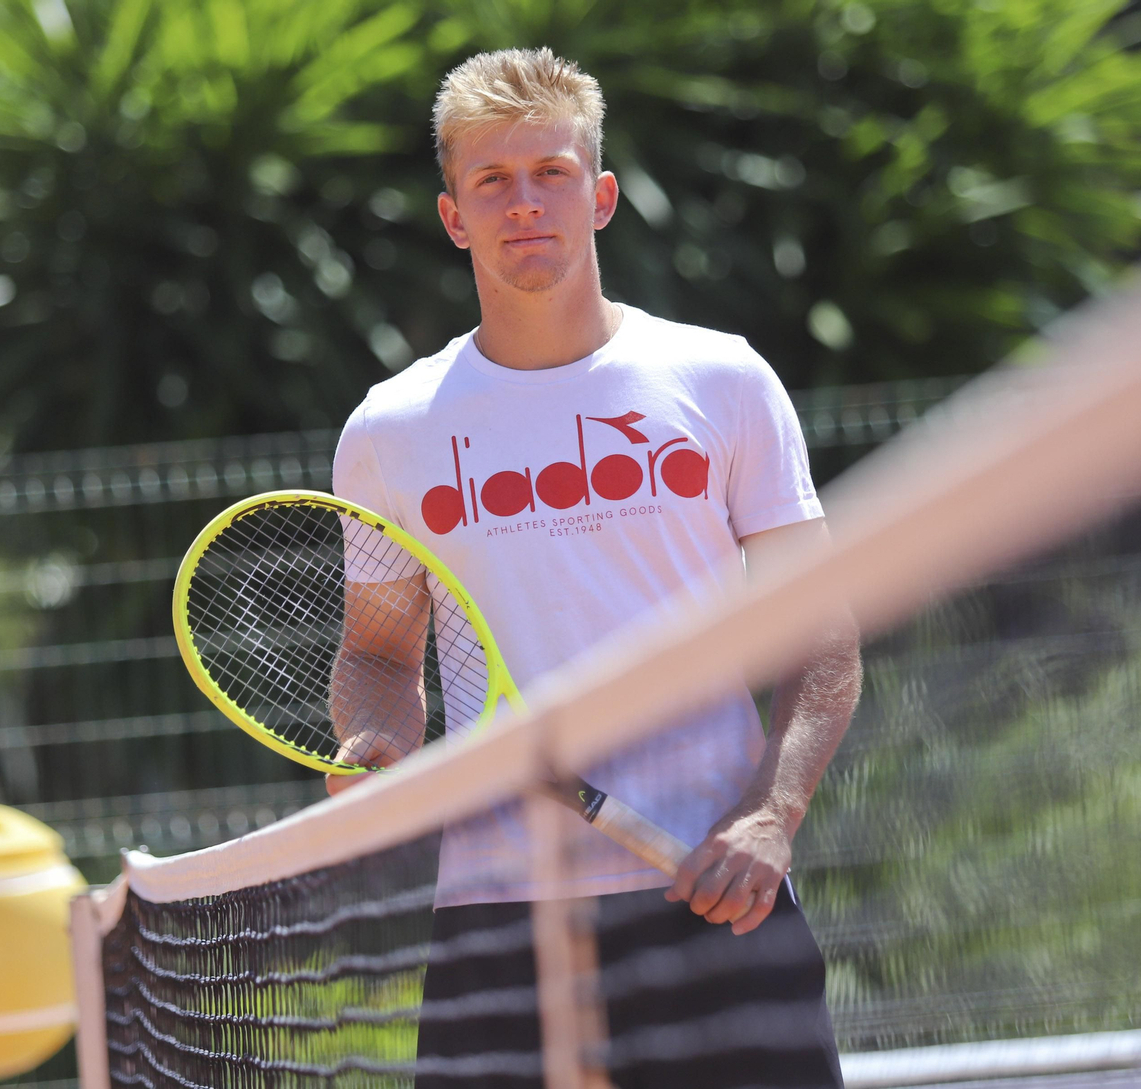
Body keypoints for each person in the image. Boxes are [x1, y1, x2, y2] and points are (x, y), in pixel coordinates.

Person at [330, 46, 862, 1089]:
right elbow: (379, 656)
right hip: (500, 925)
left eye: (551, 172)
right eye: (492, 180)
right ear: (453, 216)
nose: (524, 203)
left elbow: (822, 636)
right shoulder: (390, 430)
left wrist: (771, 814)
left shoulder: (722, 378)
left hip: (712, 895)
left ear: (601, 196)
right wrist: (374, 741)